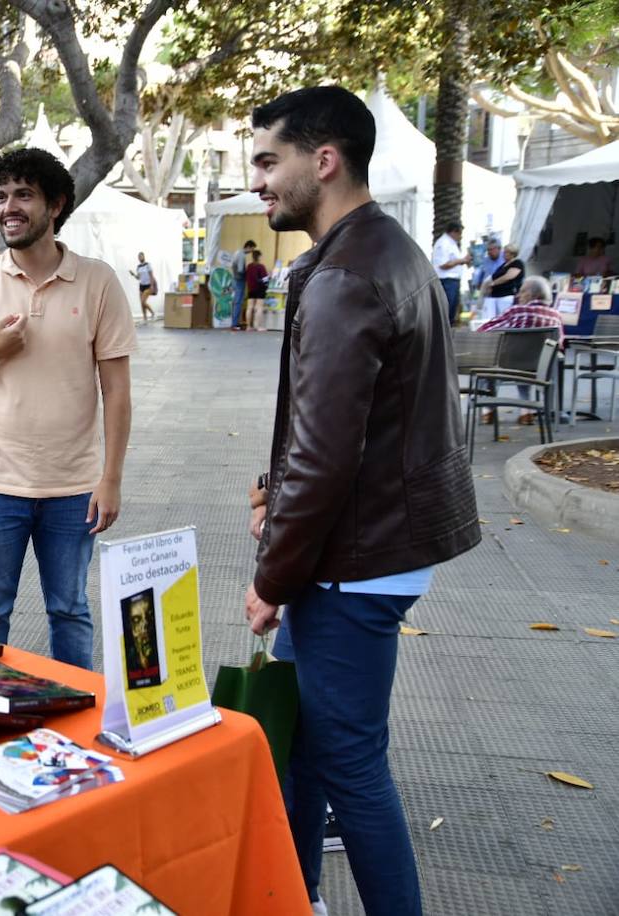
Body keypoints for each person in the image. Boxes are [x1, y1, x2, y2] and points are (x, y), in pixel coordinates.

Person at [243, 86, 480, 916]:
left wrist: (272, 579)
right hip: (369, 551)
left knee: (348, 762)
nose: (259, 183)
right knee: (312, 752)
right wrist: (278, 492)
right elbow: (354, 427)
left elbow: (326, 455)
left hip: (352, 561)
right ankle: (292, 896)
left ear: (325, 159)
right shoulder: (385, 251)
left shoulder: (347, 273)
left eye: (269, 162)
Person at [0, 147, 136, 670]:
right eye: (0, 197)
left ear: (56, 204)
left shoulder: (98, 281)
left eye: (23, 194)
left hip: (73, 488)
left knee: (70, 610)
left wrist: (110, 478)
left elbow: (119, 392)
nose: (8, 207)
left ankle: (79, 714)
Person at [476, 275, 565, 425]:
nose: (518, 295)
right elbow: (561, 343)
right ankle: (526, 413)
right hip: (541, 368)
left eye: (522, 291)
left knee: (489, 367)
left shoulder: (516, 311)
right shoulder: (556, 316)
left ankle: (488, 412)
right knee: (526, 364)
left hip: (507, 365)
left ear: (531, 294)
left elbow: (484, 330)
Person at [432, 220, 471, 325]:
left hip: (453, 280)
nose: (460, 237)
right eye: (459, 234)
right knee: (447, 308)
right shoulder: (444, 243)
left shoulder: (452, 244)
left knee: (452, 308)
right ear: (454, 231)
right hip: (446, 279)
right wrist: (461, 260)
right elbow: (444, 264)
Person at [477, 242, 524, 324]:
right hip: (496, 296)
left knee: (506, 320)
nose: (503, 254)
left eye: (506, 252)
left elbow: (509, 276)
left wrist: (493, 283)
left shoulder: (517, 263)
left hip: (507, 295)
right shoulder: (503, 265)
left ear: (512, 253)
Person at [469, 237, 505, 302]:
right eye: (488, 250)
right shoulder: (485, 261)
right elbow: (478, 279)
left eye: (491, 249)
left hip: (503, 293)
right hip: (488, 294)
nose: (489, 252)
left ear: (499, 249)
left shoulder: (505, 259)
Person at [232, 239, 257, 329]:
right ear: (248, 247)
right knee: (238, 302)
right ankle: (235, 324)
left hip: (235, 279)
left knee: (237, 301)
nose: (251, 252)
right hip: (240, 280)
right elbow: (240, 270)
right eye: (252, 249)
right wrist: (249, 273)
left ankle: (235, 322)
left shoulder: (237, 253)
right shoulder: (241, 255)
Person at [243, 249, 270, 331]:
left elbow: (246, 276)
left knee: (250, 307)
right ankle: (258, 326)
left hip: (251, 288)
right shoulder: (261, 267)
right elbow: (265, 279)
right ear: (259, 257)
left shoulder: (249, 266)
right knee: (259, 307)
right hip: (260, 289)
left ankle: (248, 326)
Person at [129, 251, 156, 321]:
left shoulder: (147, 265)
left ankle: (152, 312)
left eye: (141, 256)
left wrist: (152, 285)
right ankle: (145, 317)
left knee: (143, 301)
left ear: (144, 257)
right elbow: (138, 278)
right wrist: (133, 274)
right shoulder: (138, 267)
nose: (140, 258)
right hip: (141, 286)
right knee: (142, 303)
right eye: (139, 257)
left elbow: (151, 275)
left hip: (148, 285)